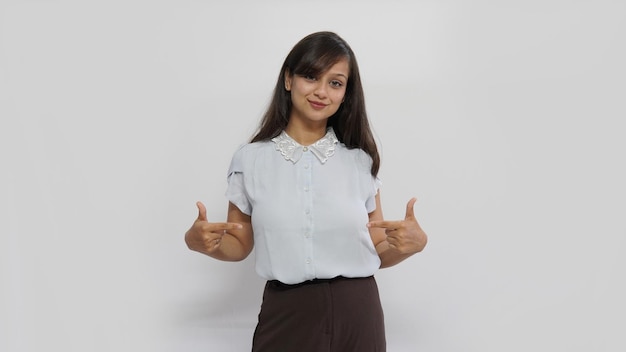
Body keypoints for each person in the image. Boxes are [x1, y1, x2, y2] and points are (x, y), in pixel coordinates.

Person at [185, 31, 428, 352]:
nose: (322, 92)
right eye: (311, 76)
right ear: (288, 79)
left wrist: (413, 245)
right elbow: (238, 243)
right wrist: (198, 242)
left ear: (346, 94)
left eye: (336, 83)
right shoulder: (250, 159)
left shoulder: (359, 160)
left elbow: (378, 246)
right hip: (287, 311)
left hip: (358, 312)